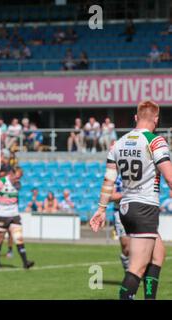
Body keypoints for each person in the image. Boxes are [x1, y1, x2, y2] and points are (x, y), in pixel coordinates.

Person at [90, 100, 172, 300]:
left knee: (158, 253)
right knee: (137, 267)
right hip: (144, 207)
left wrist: (100, 209)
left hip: (126, 208)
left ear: (135, 118)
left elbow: (108, 181)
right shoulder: (156, 141)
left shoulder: (117, 144)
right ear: (156, 119)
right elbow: (169, 177)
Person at [0, 167, 34, 269]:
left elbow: (15, 198)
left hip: (14, 215)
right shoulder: (1, 182)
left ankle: (25, 262)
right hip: (1, 215)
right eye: (17, 177)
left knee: (18, 238)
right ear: (11, 173)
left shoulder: (18, 184)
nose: (18, 180)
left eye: (20, 178)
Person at [112, 175, 130, 272]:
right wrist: (129, 194)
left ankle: (134, 274)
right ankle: (128, 268)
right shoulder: (117, 177)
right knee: (126, 247)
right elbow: (111, 196)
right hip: (120, 212)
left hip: (138, 212)